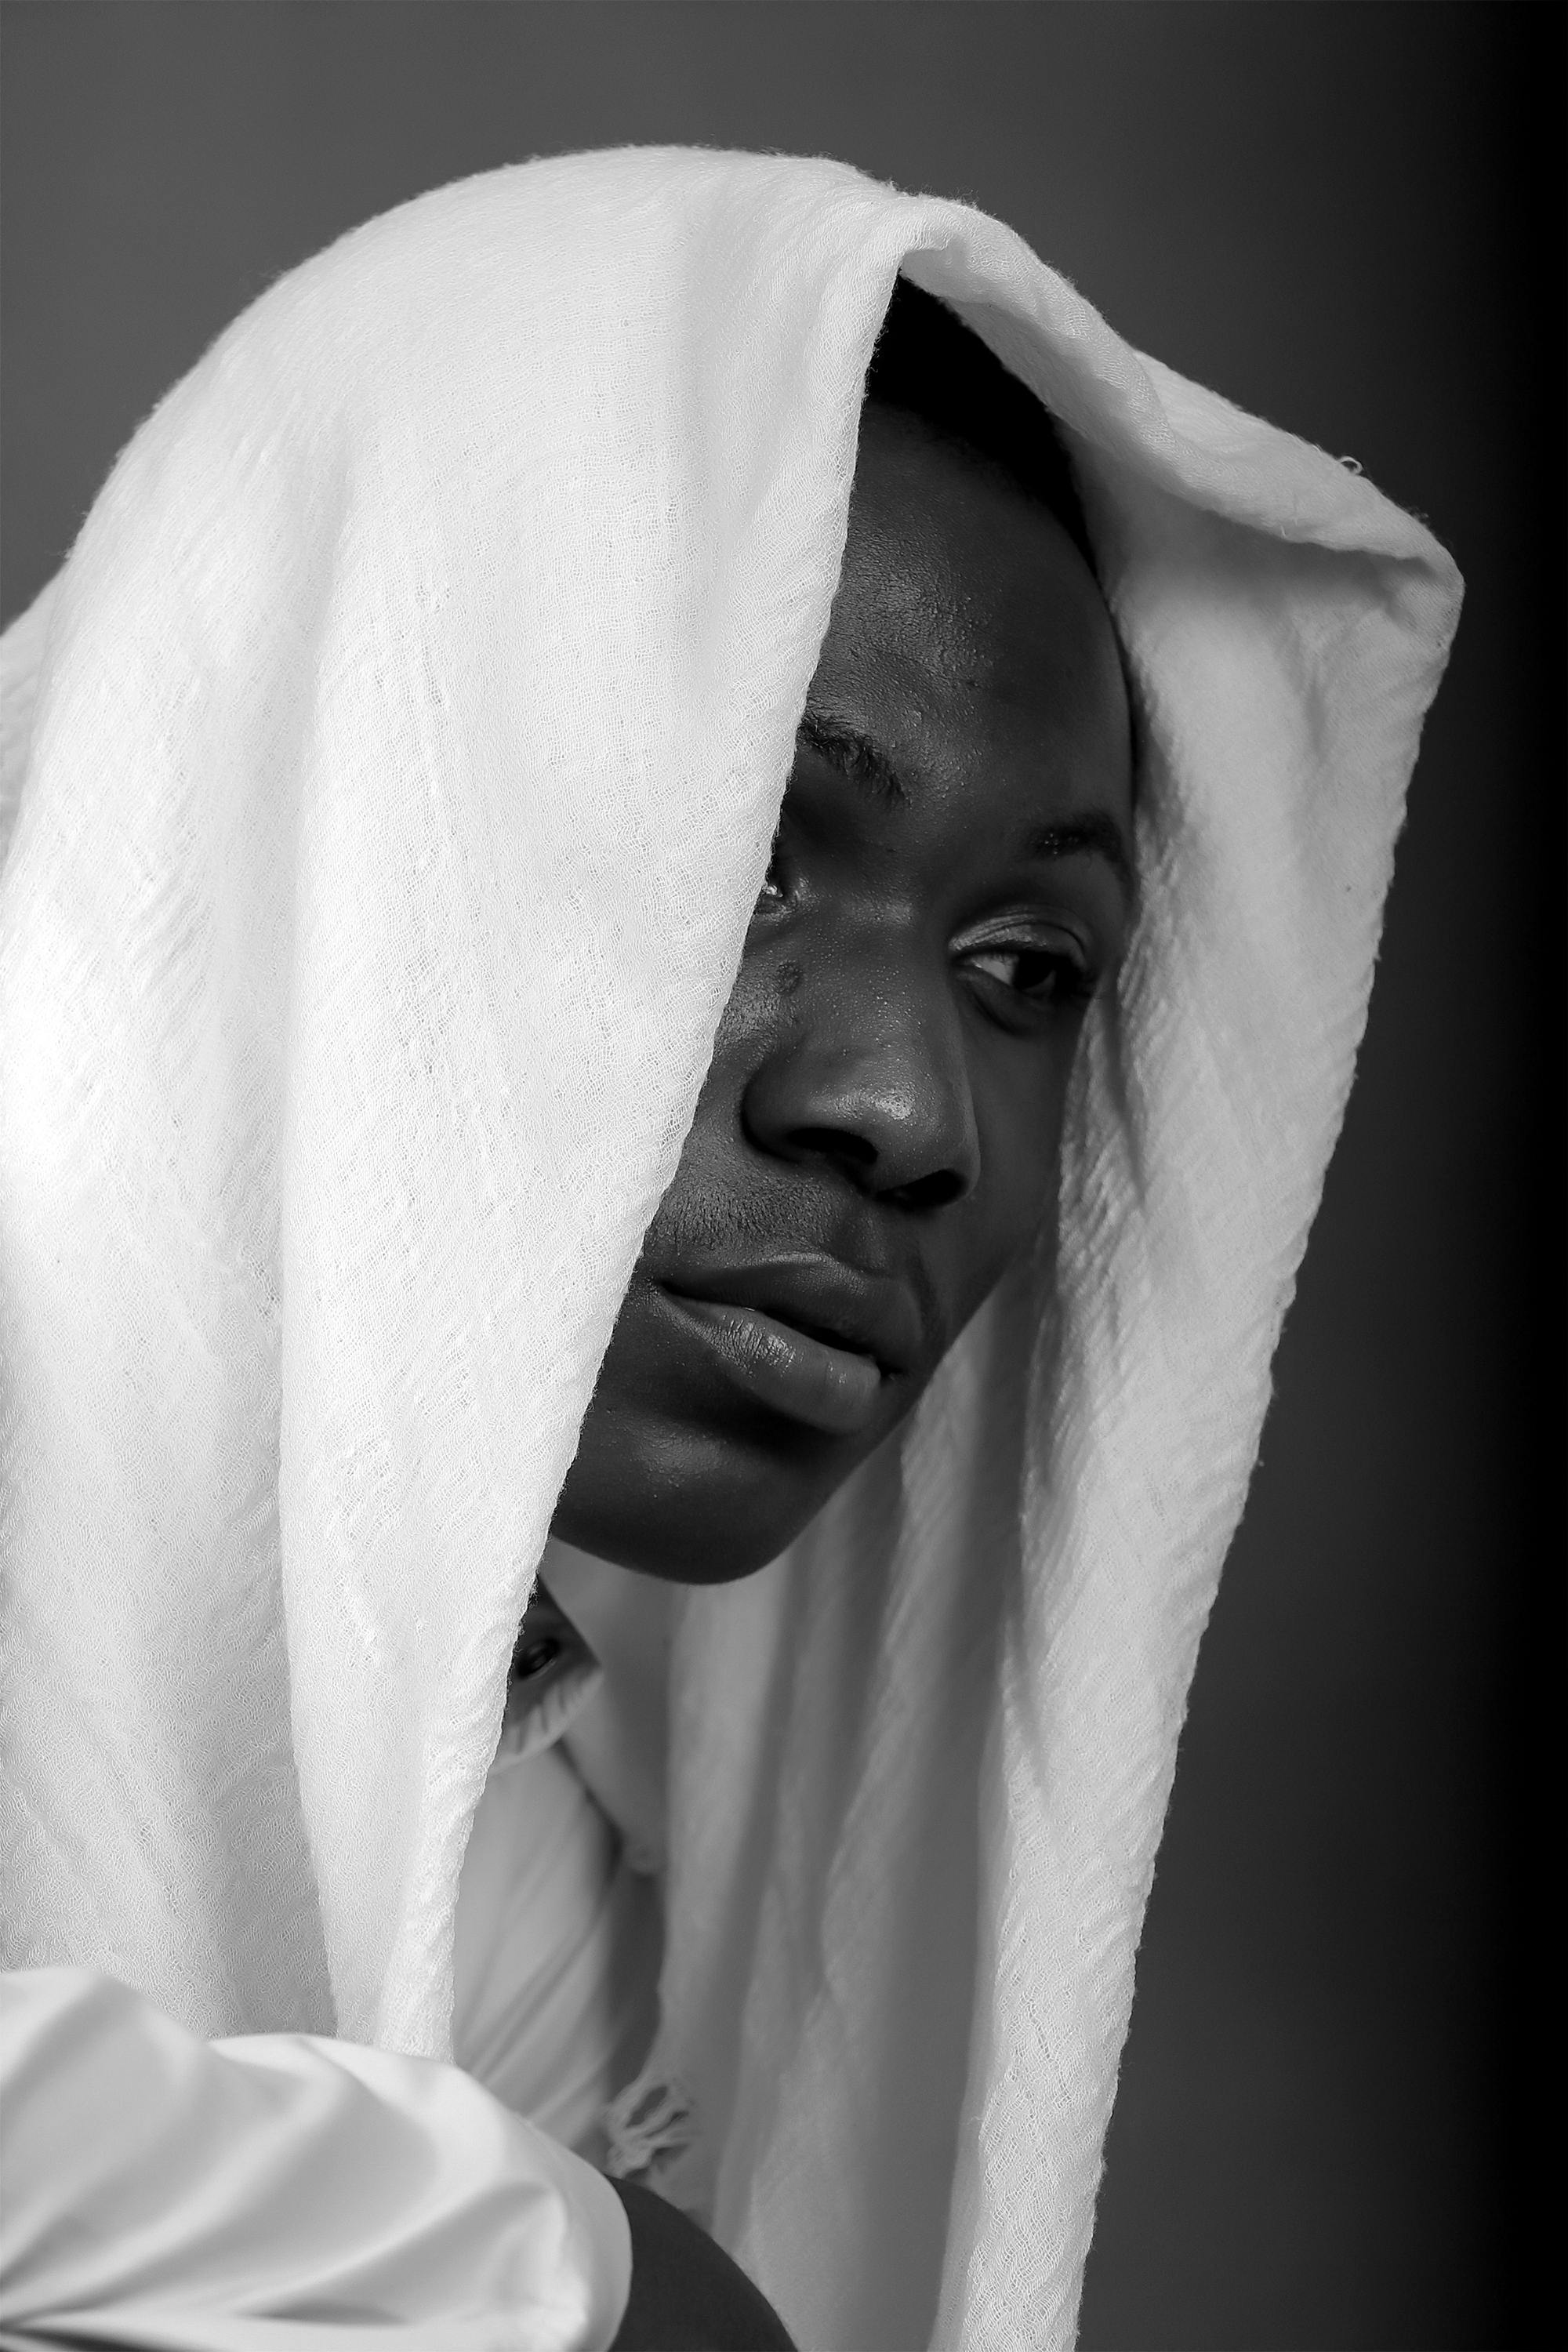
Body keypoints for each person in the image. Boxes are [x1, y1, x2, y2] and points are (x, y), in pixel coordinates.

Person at [0, 149, 1459, 2350]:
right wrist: (551, 2268)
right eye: (749, 855)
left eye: (1028, 966)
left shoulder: (502, 1879)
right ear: (326, 778)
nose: (903, 1111)